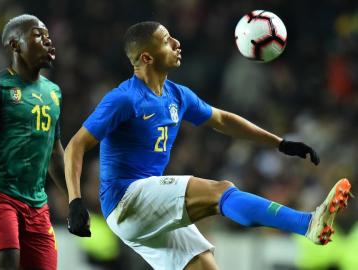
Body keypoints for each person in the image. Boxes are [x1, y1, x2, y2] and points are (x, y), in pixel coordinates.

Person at [64, 21, 352, 270]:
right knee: (221, 191)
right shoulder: (123, 99)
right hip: (126, 200)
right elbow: (76, 145)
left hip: (145, 209)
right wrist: (75, 202)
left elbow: (222, 120)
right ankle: (307, 223)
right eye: (167, 40)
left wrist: (279, 143)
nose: (176, 43)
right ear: (147, 57)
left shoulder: (177, 94)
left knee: (203, 263)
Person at [0, 14, 65, 270]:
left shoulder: (53, 92)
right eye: (39, 35)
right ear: (15, 45)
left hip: (37, 204)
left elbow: (54, 150)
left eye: (49, 36)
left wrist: (74, 198)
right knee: (6, 262)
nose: (48, 42)